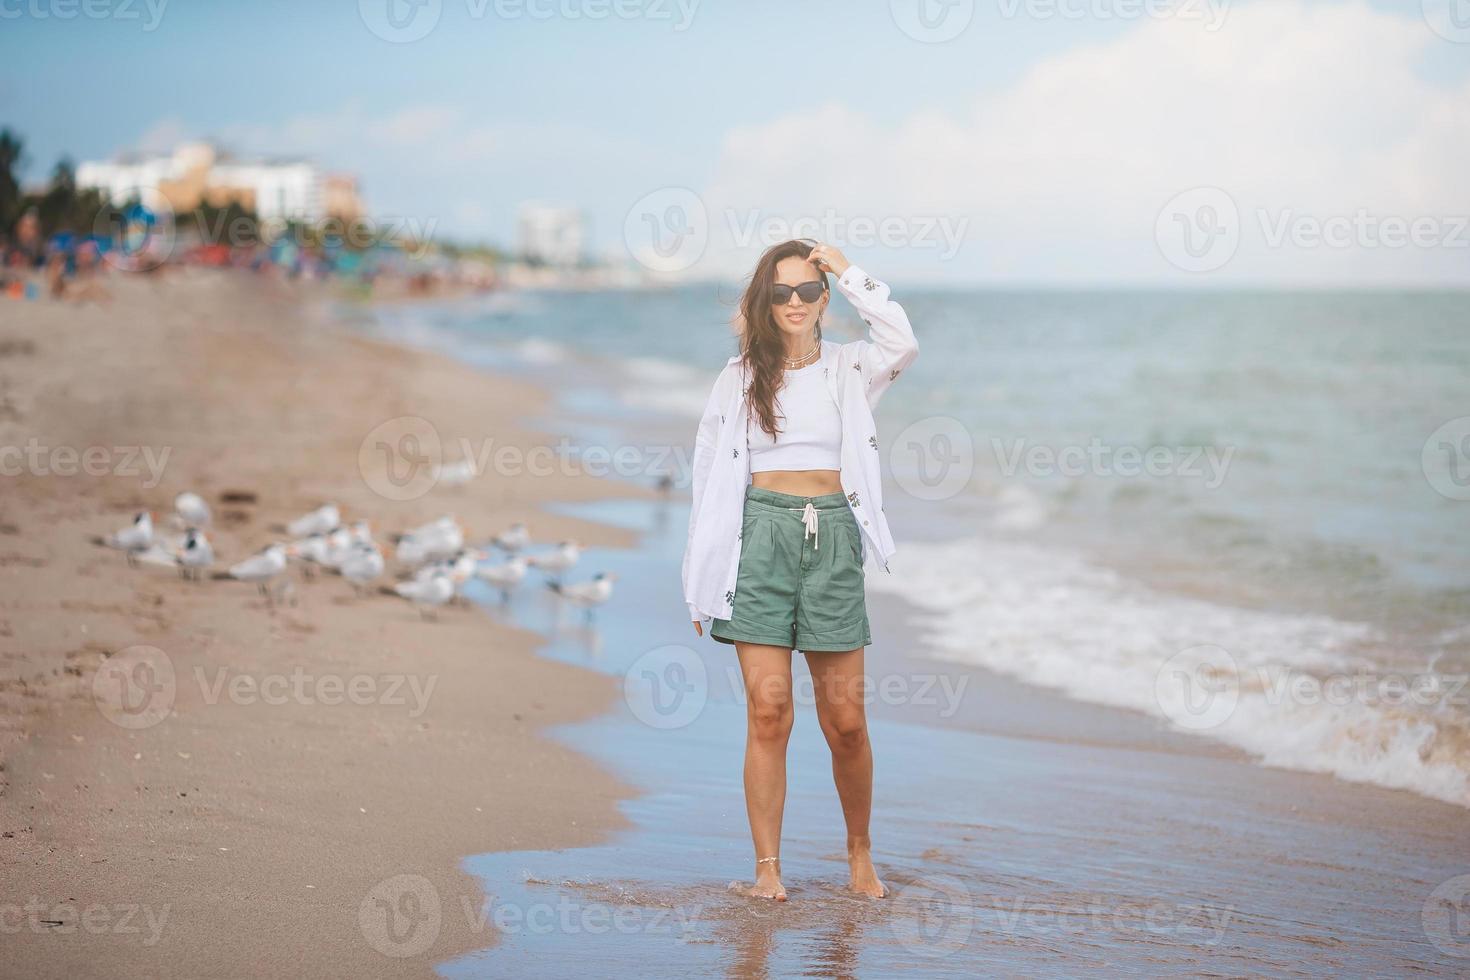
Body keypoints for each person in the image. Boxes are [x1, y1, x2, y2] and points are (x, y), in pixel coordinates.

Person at [682, 238, 920, 901]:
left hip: (833, 540)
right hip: (756, 540)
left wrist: (845, 270)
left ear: (823, 301)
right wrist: (698, 581)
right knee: (769, 712)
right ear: (764, 299)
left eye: (807, 291)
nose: (794, 302)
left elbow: (902, 341)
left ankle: (860, 853)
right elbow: (708, 480)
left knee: (845, 723)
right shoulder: (738, 378)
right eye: (781, 291)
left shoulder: (852, 367)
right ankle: (767, 872)